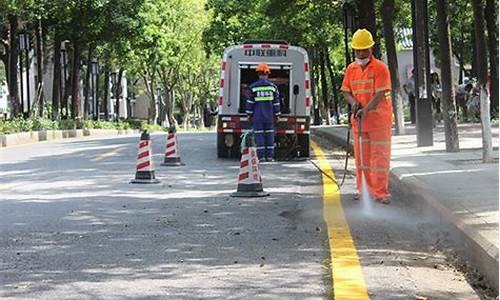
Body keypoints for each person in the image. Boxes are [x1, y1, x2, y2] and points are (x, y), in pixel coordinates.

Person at [340, 28, 393, 204]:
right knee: (362, 160)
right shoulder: (351, 69)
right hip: (360, 122)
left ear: (371, 49)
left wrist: (366, 109)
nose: (361, 53)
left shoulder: (380, 68)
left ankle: (380, 193)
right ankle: (365, 191)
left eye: (364, 49)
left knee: (380, 159)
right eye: (358, 50)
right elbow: (346, 91)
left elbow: (379, 95)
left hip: (379, 122)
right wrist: (354, 103)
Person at [245, 63, 281, 161]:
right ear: (268, 74)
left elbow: (250, 103)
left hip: (257, 117)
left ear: (258, 74)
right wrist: (277, 115)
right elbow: (276, 103)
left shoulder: (253, 87)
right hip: (269, 117)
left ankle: (261, 157)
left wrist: (248, 114)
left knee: (259, 136)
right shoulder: (273, 87)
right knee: (269, 136)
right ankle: (270, 157)